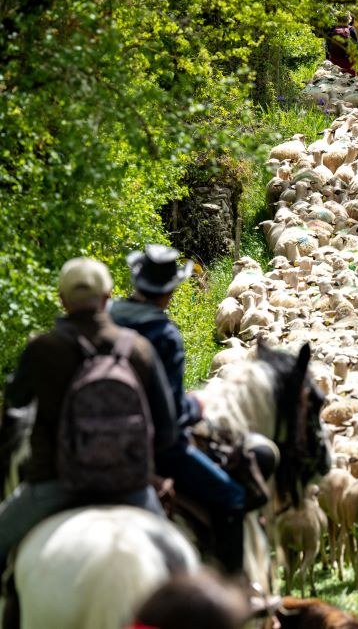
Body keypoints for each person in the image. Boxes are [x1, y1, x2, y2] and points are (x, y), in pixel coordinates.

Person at [0, 256, 176, 569]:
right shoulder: (138, 348)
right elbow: (166, 431)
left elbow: (14, 400)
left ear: (62, 299)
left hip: (53, 482)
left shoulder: (42, 349)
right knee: (180, 566)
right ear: (107, 297)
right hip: (128, 487)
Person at [109, 244, 248, 576]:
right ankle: (234, 589)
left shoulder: (108, 319)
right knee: (232, 496)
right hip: (156, 446)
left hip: (97, 433)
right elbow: (169, 414)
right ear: (170, 290)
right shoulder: (164, 334)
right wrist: (196, 403)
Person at [325, 10, 358, 76]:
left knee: (335, 78)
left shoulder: (333, 29)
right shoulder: (351, 29)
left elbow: (327, 44)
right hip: (348, 61)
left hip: (334, 60)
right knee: (350, 81)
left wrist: (328, 57)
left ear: (337, 19)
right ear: (349, 19)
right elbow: (356, 45)